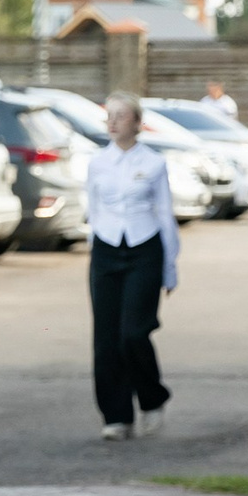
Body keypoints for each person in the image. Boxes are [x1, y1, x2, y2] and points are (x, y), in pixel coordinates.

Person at [87, 91, 179, 440]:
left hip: (144, 249)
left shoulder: (154, 164)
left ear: (137, 124)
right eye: (109, 116)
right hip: (107, 251)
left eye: (121, 116)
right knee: (106, 339)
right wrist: (94, 248)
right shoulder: (97, 163)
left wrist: (170, 268)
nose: (112, 122)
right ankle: (116, 416)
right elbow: (93, 209)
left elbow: (165, 216)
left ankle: (152, 398)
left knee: (134, 333)